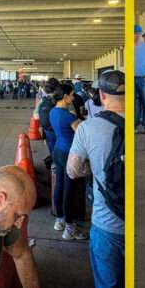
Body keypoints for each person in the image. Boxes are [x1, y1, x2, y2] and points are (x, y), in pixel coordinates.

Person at [67, 69, 125, 288]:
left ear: (101, 94)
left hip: (107, 223)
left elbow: (72, 171)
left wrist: (95, 170)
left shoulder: (87, 128)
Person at [49, 83, 87, 240]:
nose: (73, 97)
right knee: (70, 190)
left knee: (60, 186)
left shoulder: (53, 112)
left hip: (58, 150)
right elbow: (82, 135)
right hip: (69, 153)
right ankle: (70, 227)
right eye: (71, 95)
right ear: (65, 97)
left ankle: (60, 220)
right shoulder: (69, 116)